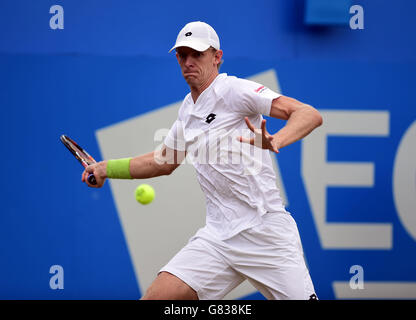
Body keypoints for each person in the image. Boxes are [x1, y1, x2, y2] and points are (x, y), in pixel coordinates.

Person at [82, 21, 322, 300]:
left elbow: (308, 114)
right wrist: (105, 168)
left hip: (266, 233)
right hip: (218, 237)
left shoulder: (236, 91)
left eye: (197, 54)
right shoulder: (188, 109)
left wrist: (277, 140)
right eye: (182, 55)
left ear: (217, 57)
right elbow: (162, 162)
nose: (188, 62)